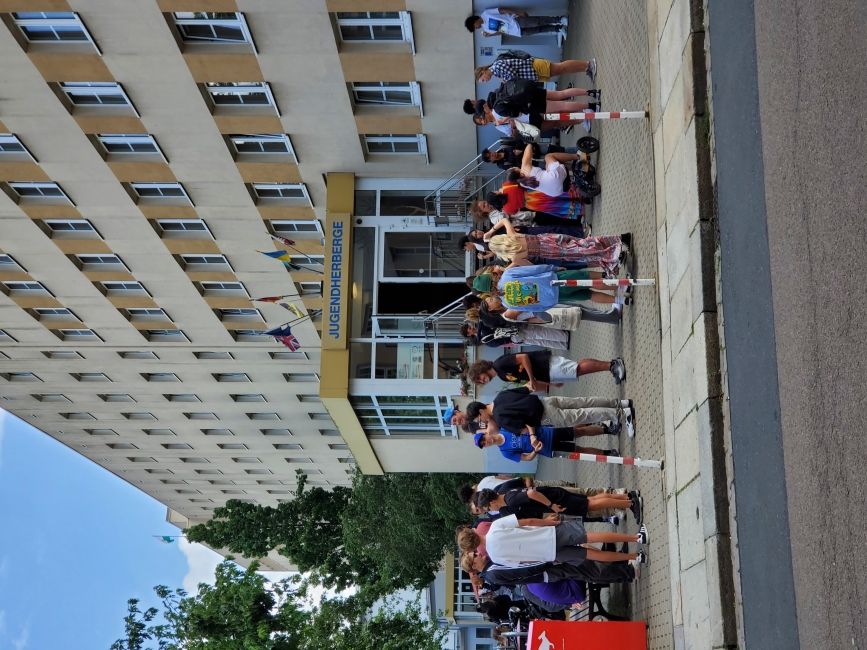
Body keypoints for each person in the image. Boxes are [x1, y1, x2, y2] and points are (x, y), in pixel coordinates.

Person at [466, 387, 636, 447]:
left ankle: (622, 415)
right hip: (545, 400)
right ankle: (620, 403)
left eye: (479, 419)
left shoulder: (501, 420)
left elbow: (525, 428)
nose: (482, 422)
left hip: (545, 417)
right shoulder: (500, 395)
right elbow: (526, 389)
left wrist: (532, 436)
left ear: (481, 412)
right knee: (584, 402)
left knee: (584, 414)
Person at [461, 514, 647, 568]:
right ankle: (636, 537)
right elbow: (528, 521)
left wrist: (547, 559)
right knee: (591, 536)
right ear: (472, 531)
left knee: (592, 555)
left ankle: (634, 556)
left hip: (549, 553)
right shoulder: (495, 527)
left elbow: (524, 563)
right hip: (548, 534)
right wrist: (551, 522)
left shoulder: (496, 558)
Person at [488, 218, 625, 274]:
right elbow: (504, 220)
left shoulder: (514, 257)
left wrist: (506, 269)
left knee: (583, 253)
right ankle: (616, 240)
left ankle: (613, 254)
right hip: (549, 237)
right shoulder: (512, 235)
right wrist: (490, 231)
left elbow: (531, 266)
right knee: (583, 243)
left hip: (552, 252)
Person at [467, 350, 626, 391]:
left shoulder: (500, 364)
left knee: (576, 369)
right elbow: (528, 381)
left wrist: (533, 378)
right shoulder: (502, 376)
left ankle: (612, 365)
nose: (482, 381)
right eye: (480, 382)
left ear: (481, 369)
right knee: (576, 368)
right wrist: (550, 384)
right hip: (546, 373)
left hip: (544, 364)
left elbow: (523, 357)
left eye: (479, 377)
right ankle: (609, 366)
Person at [472, 487, 639, 522]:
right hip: (554, 495)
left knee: (592, 504)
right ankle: (625, 497)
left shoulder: (510, 500)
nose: (490, 510)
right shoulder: (506, 494)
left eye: (488, 507)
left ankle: (630, 503)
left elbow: (531, 493)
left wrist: (551, 505)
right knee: (590, 500)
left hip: (555, 500)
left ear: (492, 501)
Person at [468, 97, 595, 137]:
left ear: (482, 113)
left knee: (557, 113)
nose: (483, 121)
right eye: (481, 123)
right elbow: (511, 134)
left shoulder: (496, 110)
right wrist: (513, 129)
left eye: (481, 118)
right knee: (557, 123)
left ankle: (583, 110)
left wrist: (509, 119)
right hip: (529, 125)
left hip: (530, 113)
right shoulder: (496, 125)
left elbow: (513, 109)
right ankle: (582, 118)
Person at [475, 57, 597, 84]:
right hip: (534, 72)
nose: (485, 81)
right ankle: (586, 68)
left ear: (483, 72)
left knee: (561, 67)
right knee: (562, 70)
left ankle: (588, 64)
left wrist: (507, 83)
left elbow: (514, 76)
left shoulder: (497, 67)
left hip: (534, 67)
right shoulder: (496, 72)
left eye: (483, 79)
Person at [465, 8, 567, 39]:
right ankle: (559, 28)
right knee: (538, 30)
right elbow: (501, 31)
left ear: (474, 21)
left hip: (517, 21)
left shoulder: (486, 14)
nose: (477, 28)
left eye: (474, 26)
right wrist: (491, 35)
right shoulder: (485, 29)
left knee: (538, 21)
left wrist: (518, 12)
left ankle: (559, 19)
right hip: (517, 32)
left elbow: (502, 10)